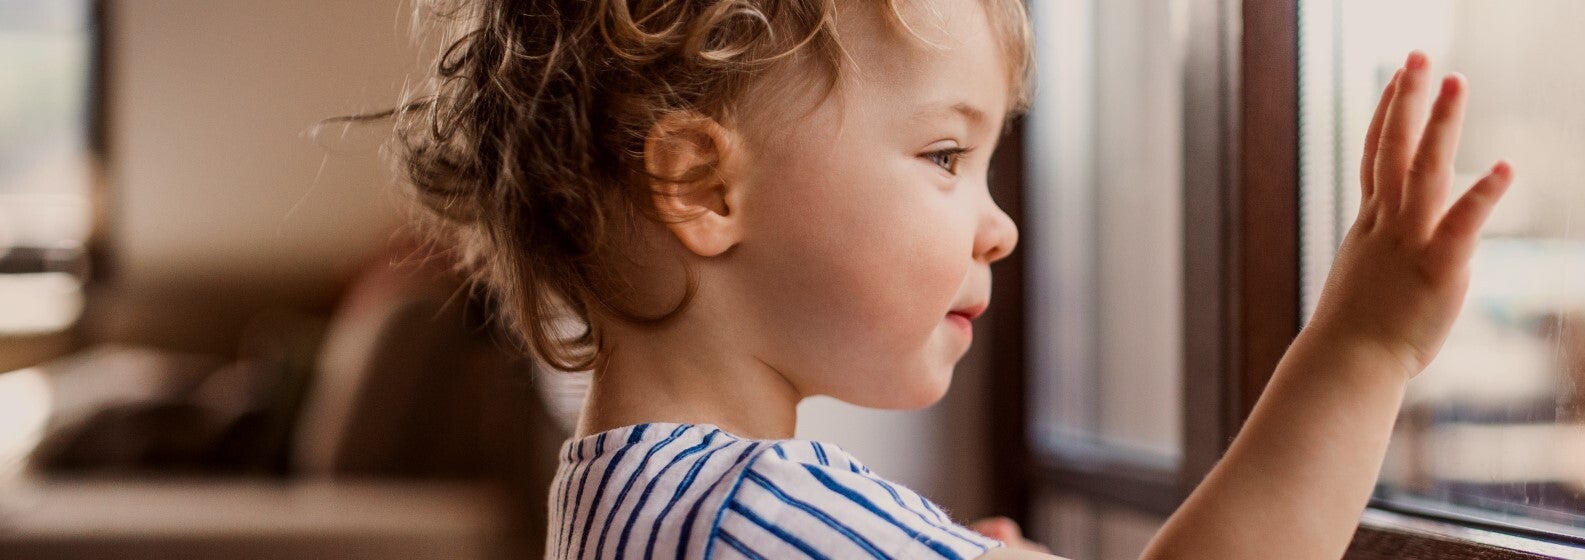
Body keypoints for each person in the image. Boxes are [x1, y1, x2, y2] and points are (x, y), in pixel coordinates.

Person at [370, 0, 1512, 558]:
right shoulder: (765, 515)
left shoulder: (617, 499)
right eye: (945, 155)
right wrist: (1364, 346)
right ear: (706, 190)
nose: (1001, 225)